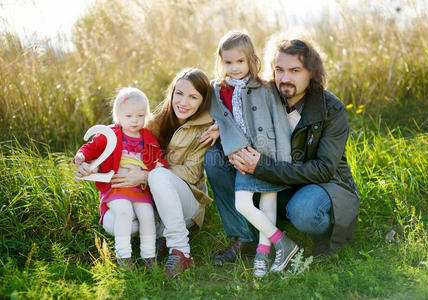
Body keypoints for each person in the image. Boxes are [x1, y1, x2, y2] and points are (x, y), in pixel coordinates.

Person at [205, 36, 360, 264]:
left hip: (322, 183)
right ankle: (243, 237)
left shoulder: (331, 109)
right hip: (278, 179)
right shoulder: (265, 93)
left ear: (312, 73)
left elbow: (323, 169)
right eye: (279, 70)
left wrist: (262, 167)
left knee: (303, 211)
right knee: (214, 158)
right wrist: (223, 128)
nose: (285, 78)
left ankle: (321, 237)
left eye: (295, 70)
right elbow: (237, 112)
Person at [206, 31, 298, 277]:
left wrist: (283, 164)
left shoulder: (265, 88)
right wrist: (221, 133)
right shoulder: (217, 90)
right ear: (221, 61)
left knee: (268, 204)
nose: (234, 68)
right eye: (228, 62)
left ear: (251, 60)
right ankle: (283, 242)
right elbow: (222, 120)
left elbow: (280, 124)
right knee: (244, 204)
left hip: (269, 155)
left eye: (240, 61)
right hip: (245, 158)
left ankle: (262, 255)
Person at [107, 68, 214, 277]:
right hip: (153, 203)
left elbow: (191, 174)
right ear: (172, 93)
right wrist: (88, 161)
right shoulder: (153, 123)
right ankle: (159, 237)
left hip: (188, 202)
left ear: (202, 101)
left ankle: (181, 250)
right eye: (179, 94)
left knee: (157, 174)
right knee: (113, 223)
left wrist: (146, 175)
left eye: (193, 97)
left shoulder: (205, 129)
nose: (184, 102)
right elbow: (116, 139)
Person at [74, 87, 167, 270]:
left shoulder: (147, 137)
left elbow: (158, 159)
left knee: (147, 215)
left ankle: (148, 257)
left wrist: (161, 168)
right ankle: (123, 256)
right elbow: (90, 147)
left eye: (140, 116)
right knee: (124, 212)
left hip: (140, 188)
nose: (134, 120)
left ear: (146, 115)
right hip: (116, 187)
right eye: (129, 116)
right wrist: (81, 157)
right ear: (118, 115)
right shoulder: (110, 134)